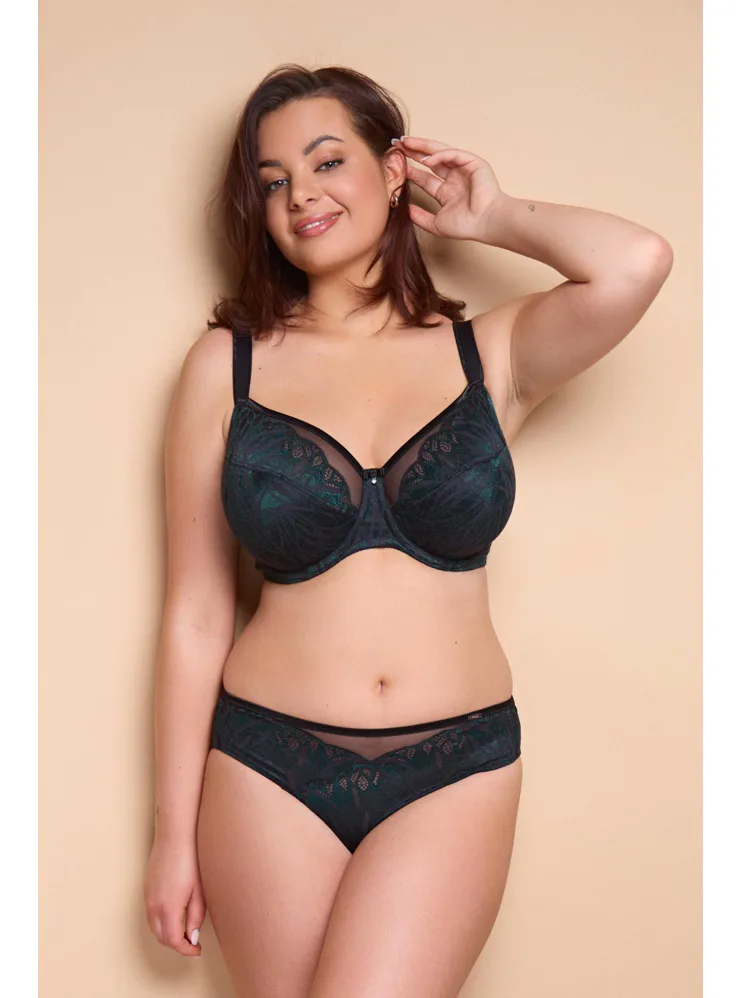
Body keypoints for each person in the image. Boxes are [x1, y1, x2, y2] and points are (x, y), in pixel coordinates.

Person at [144, 63, 673, 997]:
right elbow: (195, 613)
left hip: (456, 765)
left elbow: (637, 262)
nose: (301, 195)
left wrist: (493, 215)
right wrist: (170, 836)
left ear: (393, 171)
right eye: (273, 180)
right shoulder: (225, 367)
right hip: (267, 766)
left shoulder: (490, 354)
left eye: (327, 162)